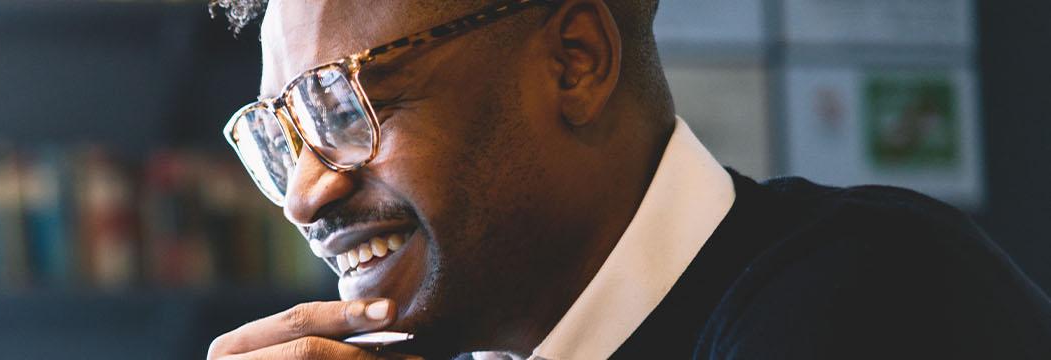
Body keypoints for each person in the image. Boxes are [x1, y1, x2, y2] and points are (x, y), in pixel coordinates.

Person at [204, 0, 1051, 358]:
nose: (302, 193)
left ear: (577, 63)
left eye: (346, 108)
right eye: (278, 137)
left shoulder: (877, 294)